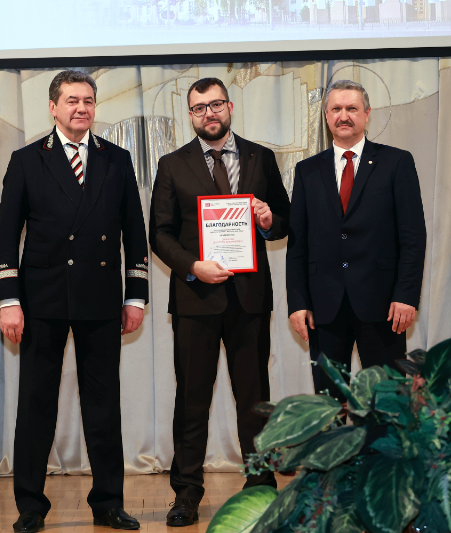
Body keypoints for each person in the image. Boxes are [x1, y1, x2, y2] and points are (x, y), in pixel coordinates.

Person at [0, 70, 148, 532]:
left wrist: (136, 296)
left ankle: (108, 503)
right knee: (35, 406)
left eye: (88, 101)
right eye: (72, 101)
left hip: (100, 299)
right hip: (42, 301)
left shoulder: (117, 159)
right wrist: (8, 300)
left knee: (103, 406)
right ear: (53, 107)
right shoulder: (26, 160)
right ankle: (30, 507)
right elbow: (6, 236)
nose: (81, 108)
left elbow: (134, 233)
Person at [149, 77, 290, 527]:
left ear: (229, 106)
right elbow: (159, 234)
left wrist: (268, 220)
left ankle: (261, 486)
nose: (208, 114)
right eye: (199, 108)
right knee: (192, 402)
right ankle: (186, 493)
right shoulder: (172, 164)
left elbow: (284, 220)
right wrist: (193, 265)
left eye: (215, 105)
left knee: (255, 400)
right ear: (190, 115)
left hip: (249, 300)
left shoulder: (260, 157)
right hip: (195, 299)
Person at [286, 79, 426, 400]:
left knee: (387, 401)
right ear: (326, 115)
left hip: (383, 305)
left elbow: (413, 236)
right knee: (329, 404)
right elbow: (298, 244)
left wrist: (406, 295)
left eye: (352, 108)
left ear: (367, 114)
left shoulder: (396, 162)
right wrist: (298, 302)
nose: (344, 116)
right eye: (336, 109)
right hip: (324, 307)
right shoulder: (307, 171)